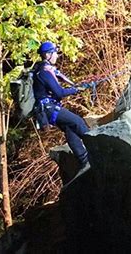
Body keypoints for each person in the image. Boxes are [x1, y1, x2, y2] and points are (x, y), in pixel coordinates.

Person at [33, 41, 91, 175]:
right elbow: (59, 92)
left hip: (47, 109)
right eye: (55, 53)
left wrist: (76, 87)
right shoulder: (44, 72)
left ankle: (84, 159)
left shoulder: (42, 69)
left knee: (69, 127)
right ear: (48, 55)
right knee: (78, 122)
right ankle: (95, 147)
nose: (57, 56)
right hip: (49, 108)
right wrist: (74, 90)